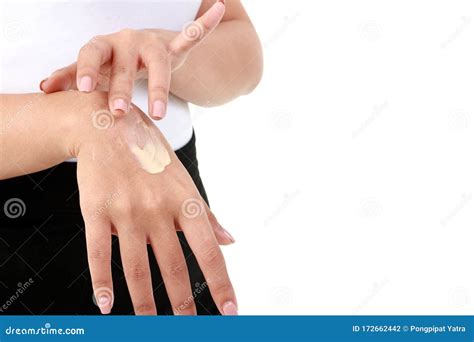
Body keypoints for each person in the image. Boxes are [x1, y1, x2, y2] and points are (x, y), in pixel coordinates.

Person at [0, 0, 263, 315]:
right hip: (19, 229)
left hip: (170, 207)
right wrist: (80, 121)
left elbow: (238, 40)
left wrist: (162, 55)